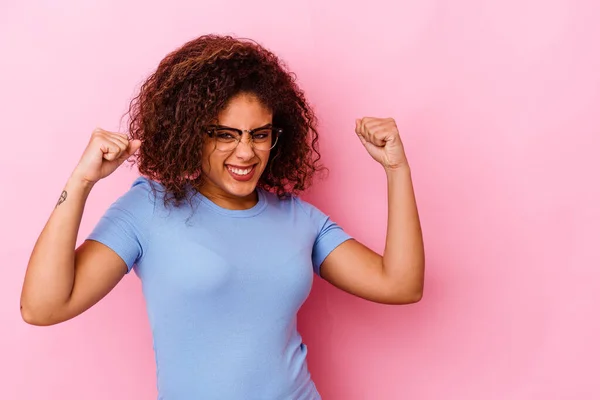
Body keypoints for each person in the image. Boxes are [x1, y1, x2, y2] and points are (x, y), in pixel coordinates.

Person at [20, 34, 425, 400]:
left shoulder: (300, 219)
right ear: (191, 133)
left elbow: (400, 284)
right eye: (225, 134)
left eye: (259, 134)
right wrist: (82, 181)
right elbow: (43, 308)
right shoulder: (148, 209)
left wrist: (397, 169)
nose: (246, 152)